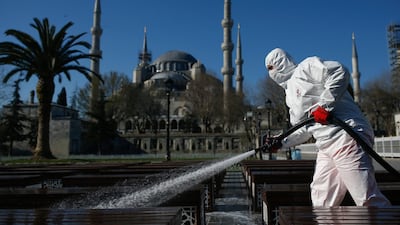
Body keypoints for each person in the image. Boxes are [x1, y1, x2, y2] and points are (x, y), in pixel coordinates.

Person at [264, 48, 391, 207]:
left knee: (365, 197)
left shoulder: (306, 67)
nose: (271, 73)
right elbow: (304, 128)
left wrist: (324, 106)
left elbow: (339, 72)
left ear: (281, 62)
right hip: (325, 144)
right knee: (321, 199)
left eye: (271, 67)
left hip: (346, 136)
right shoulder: (289, 96)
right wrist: (281, 142)